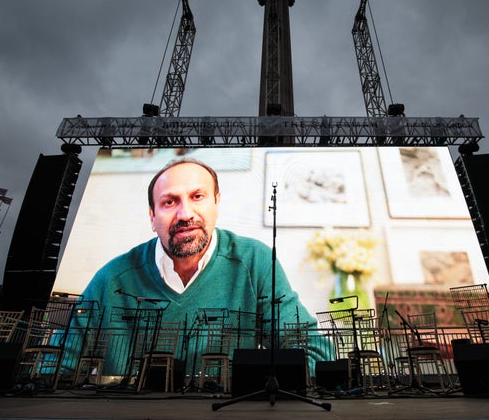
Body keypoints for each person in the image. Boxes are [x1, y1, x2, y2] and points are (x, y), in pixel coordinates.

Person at [67, 156, 330, 383]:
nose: (185, 214)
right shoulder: (112, 278)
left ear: (216, 203)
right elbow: (55, 362)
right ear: (152, 217)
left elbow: (316, 351)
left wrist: (255, 385)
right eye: (169, 202)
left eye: (197, 197)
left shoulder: (254, 261)